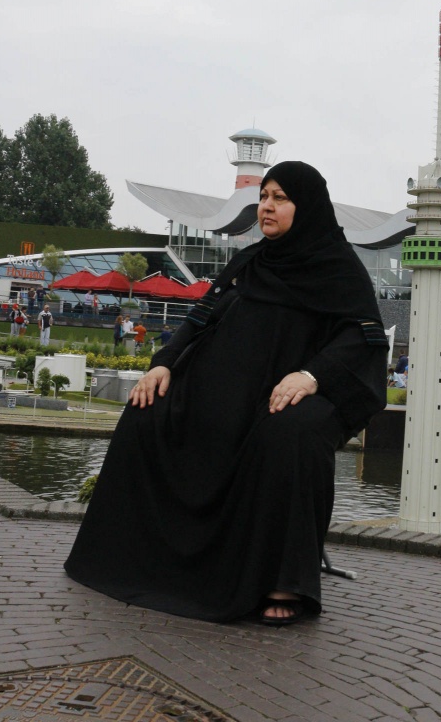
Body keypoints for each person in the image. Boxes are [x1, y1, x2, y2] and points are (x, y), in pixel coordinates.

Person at [64, 161, 388, 626]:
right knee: (145, 411)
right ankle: (133, 559)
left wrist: (312, 377)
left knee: (290, 436)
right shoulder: (250, 261)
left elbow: (362, 337)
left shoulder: (340, 269)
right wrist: (161, 365)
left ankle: (284, 580)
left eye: (280, 197)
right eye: (264, 196)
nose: (267, 206)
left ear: (308, 205)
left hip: (283, 395)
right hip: (217, 389)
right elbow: (199, 319)